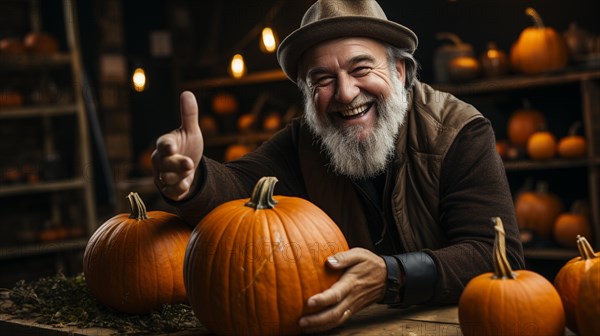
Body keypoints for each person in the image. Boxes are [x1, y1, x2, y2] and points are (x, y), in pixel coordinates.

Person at [153, 0, 525, 333]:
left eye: (361, 68)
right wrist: (193, 179)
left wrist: (389, 276)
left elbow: (495, 254)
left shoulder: (459, 131)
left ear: (399, 71)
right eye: (323, 79)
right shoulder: (303, 141)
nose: (345, 93)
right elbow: (238, 184)